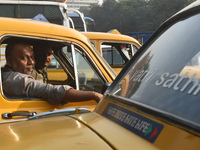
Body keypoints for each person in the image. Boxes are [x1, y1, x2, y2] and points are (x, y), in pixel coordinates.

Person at [2, 41, 103, 104]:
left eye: (32, 57)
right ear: (10, 61)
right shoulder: (16, 80)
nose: (31, 62)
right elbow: (51, 91)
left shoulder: (7, 74)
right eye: (23, 58)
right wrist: (93, 95)